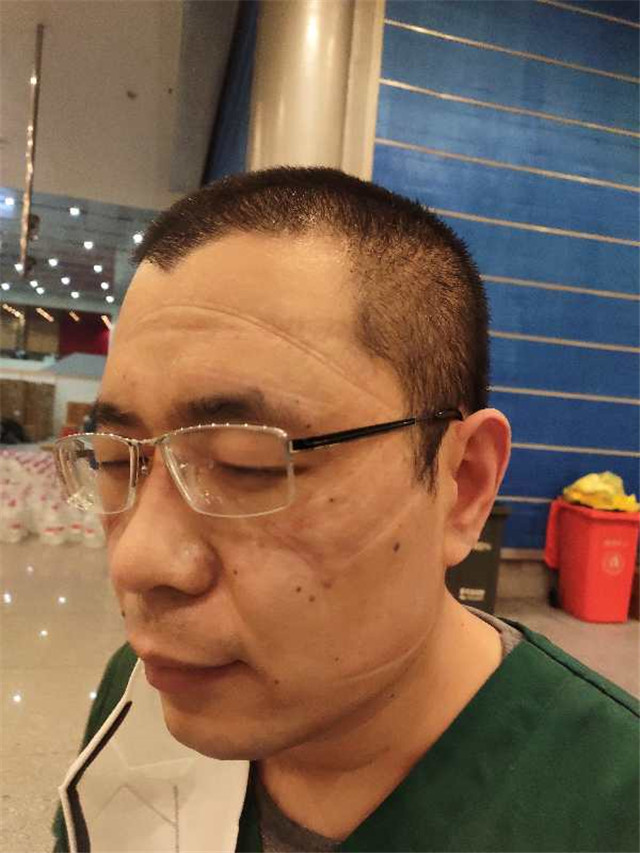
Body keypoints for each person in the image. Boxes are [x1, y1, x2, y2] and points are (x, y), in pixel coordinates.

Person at [51, 167, 638, 853]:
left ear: (463, 483)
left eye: (246, 464)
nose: (136, 560)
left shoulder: (610, 807)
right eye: (115, 460)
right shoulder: (138, 694)